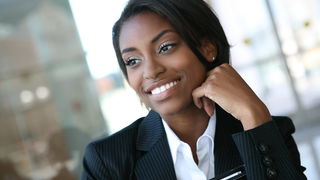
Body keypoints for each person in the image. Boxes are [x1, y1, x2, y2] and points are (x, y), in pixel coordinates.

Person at [81, 0, 307, 179]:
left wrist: (251, 112)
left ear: (207, 48)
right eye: (132, 61)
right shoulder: (107, 161)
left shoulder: (267, 131)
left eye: (165, 47)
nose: (150, 71)